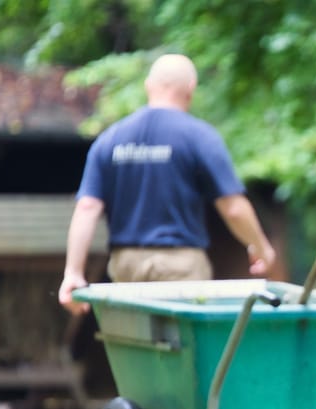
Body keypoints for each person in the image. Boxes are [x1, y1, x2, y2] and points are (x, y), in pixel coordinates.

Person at [58, 53, 277, 313]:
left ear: (149, 86)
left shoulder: (110, 139)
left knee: (135, 347)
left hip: (126, 266)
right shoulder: (199, 136)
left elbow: (86, 209)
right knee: (182, 350)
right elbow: (233, 208)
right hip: (180, 267)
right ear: (190, 90)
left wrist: (73, 272)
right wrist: (261, 248)